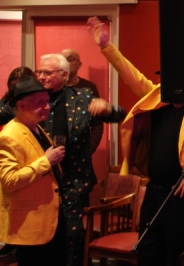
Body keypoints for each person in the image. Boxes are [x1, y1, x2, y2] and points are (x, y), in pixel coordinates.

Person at [86, 16, 184, 266]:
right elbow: (131, 75)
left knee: (174, 255)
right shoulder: (156, 99)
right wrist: (106, 46)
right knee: (147, 252)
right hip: (153, 192)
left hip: (180, 198)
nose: (165, 85)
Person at [36, 53, 124, 266]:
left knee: (72, 237)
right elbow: (5, 111)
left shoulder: (82, 97)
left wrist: (108, 108)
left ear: (63, 75)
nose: (41, 76)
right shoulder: (31, 97)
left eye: (47, 72)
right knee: (41, 238)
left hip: (72, 181)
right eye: (39, 72)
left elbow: (119, 115)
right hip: (38, 179)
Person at [0, 76, 67, 266]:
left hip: (49, 219)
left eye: (47, 101)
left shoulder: (35, 127)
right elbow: (10, 181)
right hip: (31, 225)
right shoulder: (10, 135)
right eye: (40, 102)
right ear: (21, 105)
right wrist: (46, 161)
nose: (47, 107)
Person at [61, 49, 105, 154]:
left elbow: (97, 123)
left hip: (81, 152)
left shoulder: (88, 88)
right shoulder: (54, 88)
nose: (65, 63)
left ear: (79, 65)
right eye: (62, 60)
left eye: (70, 59)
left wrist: (89, 148)